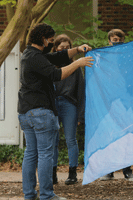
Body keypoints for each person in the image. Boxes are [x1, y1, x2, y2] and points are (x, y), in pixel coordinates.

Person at [18, 23, 93, 200]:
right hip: (41, 112)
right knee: (45, 154)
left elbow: (57, 57)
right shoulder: (35, 58)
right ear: (43, 40)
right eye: (51, 41)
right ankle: (46, 195)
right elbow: (57, 75)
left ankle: (29, 194)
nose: (51, 44)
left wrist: (77, 50)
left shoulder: (31, 55)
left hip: (26, 113)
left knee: (31, 153)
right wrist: (79, 63)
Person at [100, 29, 133, 181]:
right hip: (108, 102)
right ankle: (109, 170)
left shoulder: (128, 58)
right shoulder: (103, 58)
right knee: (110, 136)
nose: (116, 43)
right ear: (109, 41)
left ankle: (127, 170)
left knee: (125, 136)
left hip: (125, 101)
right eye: (114, 40)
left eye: (119, 40)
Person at [50, 34, 85, 185]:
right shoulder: (50, 66)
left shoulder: (76, 68)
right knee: (53, 141)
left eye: (67, 47)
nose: (65, 50)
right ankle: (52, 174)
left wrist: (80, 115)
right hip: (52, 105)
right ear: (56, 49)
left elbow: (81, 92)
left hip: (69, 105)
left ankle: (72, 174)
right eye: (61, 48)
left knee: (71, 140)